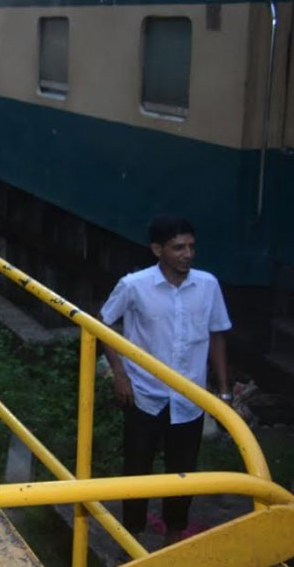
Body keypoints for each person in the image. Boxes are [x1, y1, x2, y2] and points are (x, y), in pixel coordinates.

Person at [100, 214, 231, 546]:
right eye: (178, 248)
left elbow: (217, 336)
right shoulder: (134, 286)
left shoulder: (208, 285)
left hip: (190, 401)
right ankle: (131, 539)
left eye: (191, 247)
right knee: (137, 469)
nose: (187, 254)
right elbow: (103, 324)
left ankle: (175, 539)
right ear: (157, 250)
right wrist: (120, 373)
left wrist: (224, 393)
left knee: (183, 474)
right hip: (144, 395)